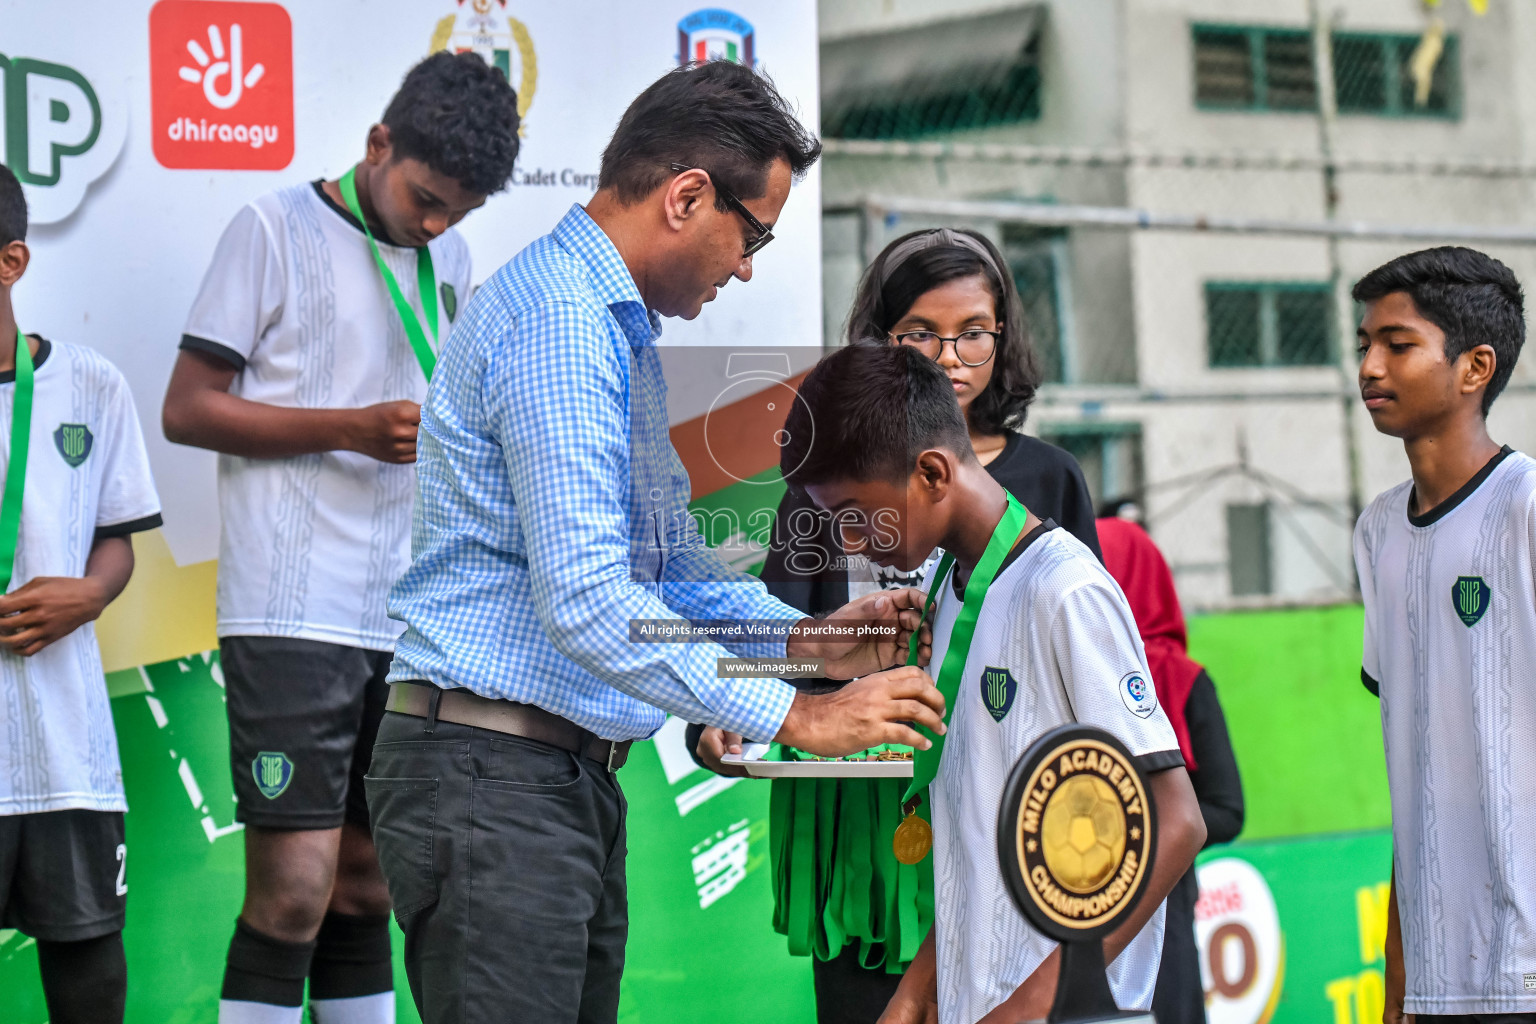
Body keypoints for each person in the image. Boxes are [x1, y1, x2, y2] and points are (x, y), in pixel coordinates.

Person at [365, 60, 947, 1024]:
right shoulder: (561, 325)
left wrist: (821, 644)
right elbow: (592, 603)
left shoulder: (611, 332)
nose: (748, 265)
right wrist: (797, 719)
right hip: (492, 781)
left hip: (545, 780)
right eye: (751, 233)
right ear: (686, 196)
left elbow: (673, 573)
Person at [160, 53, 520, 1024]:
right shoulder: (270, 229)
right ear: (378, 145)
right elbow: (187, 409)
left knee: (369, 884)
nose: (439, 225)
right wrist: (350, 427)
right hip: (291, 607)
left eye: (462, 211)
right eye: (428, 198)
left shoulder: (450, 259)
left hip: (408, 617)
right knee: (293, 888)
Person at [691, 227, 1101, 1024]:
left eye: (973, 333)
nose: (949, 357)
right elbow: (776, 635)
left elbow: (1083, 677)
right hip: (857, 822)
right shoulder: (825, 473)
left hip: (990, 804)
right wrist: (723, 713)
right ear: (880, 339)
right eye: (920, 333)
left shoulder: (1050, 479)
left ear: (1003, 338)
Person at [777, 342, 1206, 1024]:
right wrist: (919, 990)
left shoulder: (1064, 589)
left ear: (931, 472)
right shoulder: (947, 591)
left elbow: (1175, 822)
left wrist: (1034, 1005)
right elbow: (980, 851)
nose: (851, 541)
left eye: (856, 514)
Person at [1352, 247, 1536, 1024]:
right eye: (1362, 345)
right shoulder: (1376, 532)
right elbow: (1417, 767)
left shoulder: (1526, 508)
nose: (1369, 366)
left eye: (1398, 345)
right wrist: (1397, 979)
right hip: (1435, 978)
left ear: (1475, 368)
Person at [0, 165, 163, 1023]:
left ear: (11, 261)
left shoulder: (90, 384)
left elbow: (117, 537)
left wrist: (89, 597)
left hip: (68, 757)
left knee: (91, 980)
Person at [1096, 516, 1245, 1024]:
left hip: (1163, 899)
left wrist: (1133, 826)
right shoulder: (1072, 675)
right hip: (1075, 902)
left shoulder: (1183, 683)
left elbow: (1227, 811)